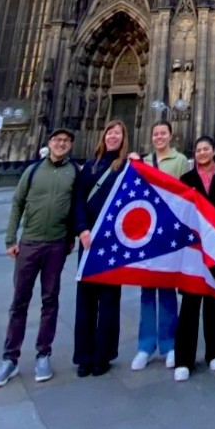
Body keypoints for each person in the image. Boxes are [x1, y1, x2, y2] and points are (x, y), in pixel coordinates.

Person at [0, 128, 78, 387]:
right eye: (57, 140)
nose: (61, 144)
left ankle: (43, 354)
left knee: (50, 299)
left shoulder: (74, 172)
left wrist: (71, 237)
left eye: (65, 141)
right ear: (49, 143)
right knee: (19, 302)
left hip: (57, 244)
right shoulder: (33, 171)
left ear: (71, 145)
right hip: (29, 243)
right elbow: (17, 203)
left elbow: (75, 206)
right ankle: (9, 359)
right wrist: (10, 239)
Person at [72, 121, 132, 377]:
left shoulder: (127, 167)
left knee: (109, 300)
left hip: (113, 242)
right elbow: (78, 199)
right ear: (103, 136)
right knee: (85, 300)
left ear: (123, 138)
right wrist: (82, 229)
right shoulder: (89, 166)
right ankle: (84, 356)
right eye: (110, 132)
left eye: (117, 133)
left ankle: (103, 356)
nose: (113, 136)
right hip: (88, 240)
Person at [132, 121, 189, 371]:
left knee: (166, 290)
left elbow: (186, 194)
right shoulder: (142, 162)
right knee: (146, 291)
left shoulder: (180, 161)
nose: (159, 137)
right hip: (146, 234)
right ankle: (145, 346)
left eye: (163, 134)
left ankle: (168, 345)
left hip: (168, 233)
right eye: (155, 134)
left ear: (171, 136)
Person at [173, 136, 215, 381]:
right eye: (198, 150)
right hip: (194, 249)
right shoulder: (186, 180)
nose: (202, 153)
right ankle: (184, 358)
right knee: (190, 303)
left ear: (214, 151)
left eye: (207, 149)